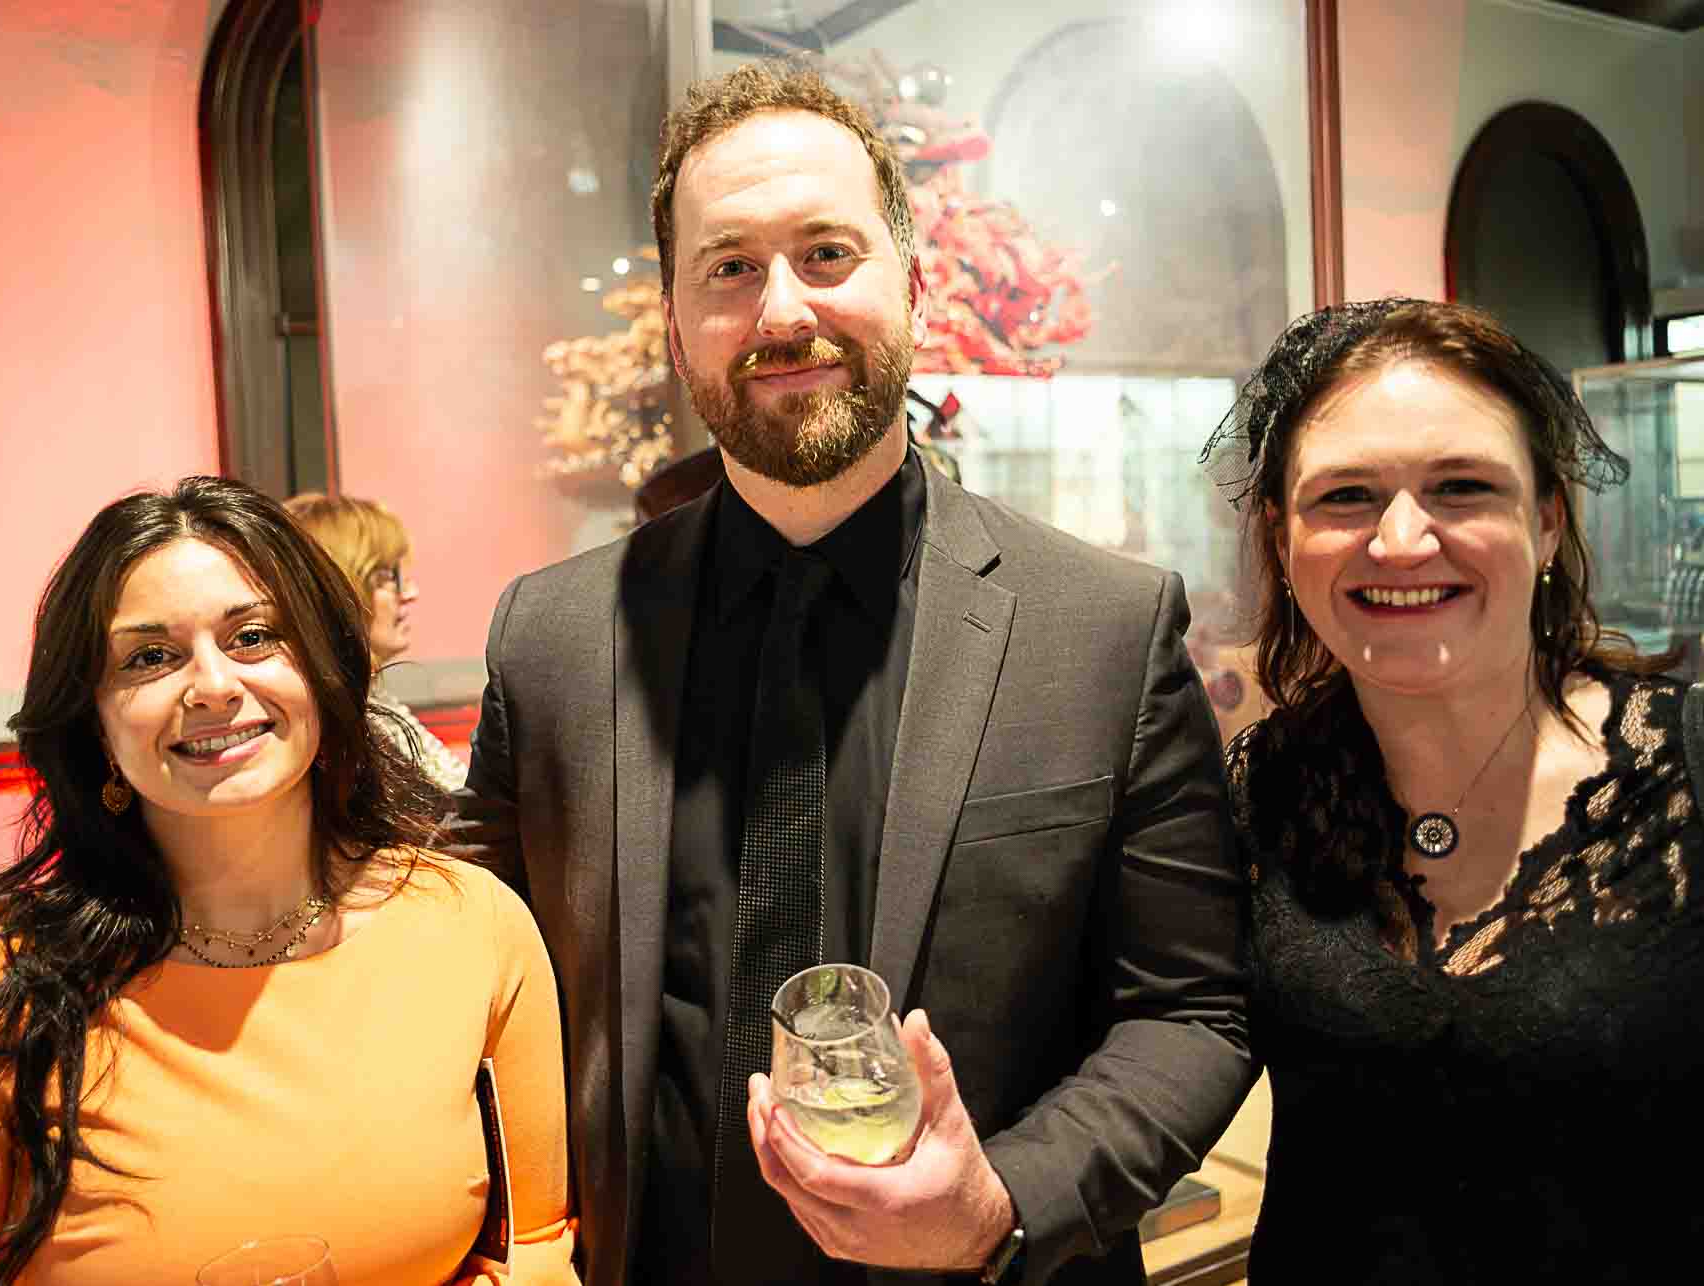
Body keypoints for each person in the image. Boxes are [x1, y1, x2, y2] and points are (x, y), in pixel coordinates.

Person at [447, 61, 1253, 1286]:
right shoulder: (550, 638)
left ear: (912, 283)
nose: (781, 312)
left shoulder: (1100, 626)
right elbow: (470, 988)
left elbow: (1190, 1010)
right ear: (673, 320)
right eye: (727, 267)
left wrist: (1000, 1202)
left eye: (826, 253)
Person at [0, 477, 576, 1286]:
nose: (213, 686)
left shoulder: (471, 926)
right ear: (98, 728)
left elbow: (535, 1245)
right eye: (150, 657)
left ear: (323, 675)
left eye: (253, 637)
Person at [1207, 299, 1704, 1283]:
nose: (1398, 540)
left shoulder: (1685, 761)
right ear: (1279, 535)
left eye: (1460, 486)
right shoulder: (1250, 794)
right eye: (1344, 495)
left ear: (1547, 519)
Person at [283, 491, 469, 790]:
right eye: (385, 577)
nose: (409, 593)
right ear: (338, 590)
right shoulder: (340, 730)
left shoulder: (371, 700)